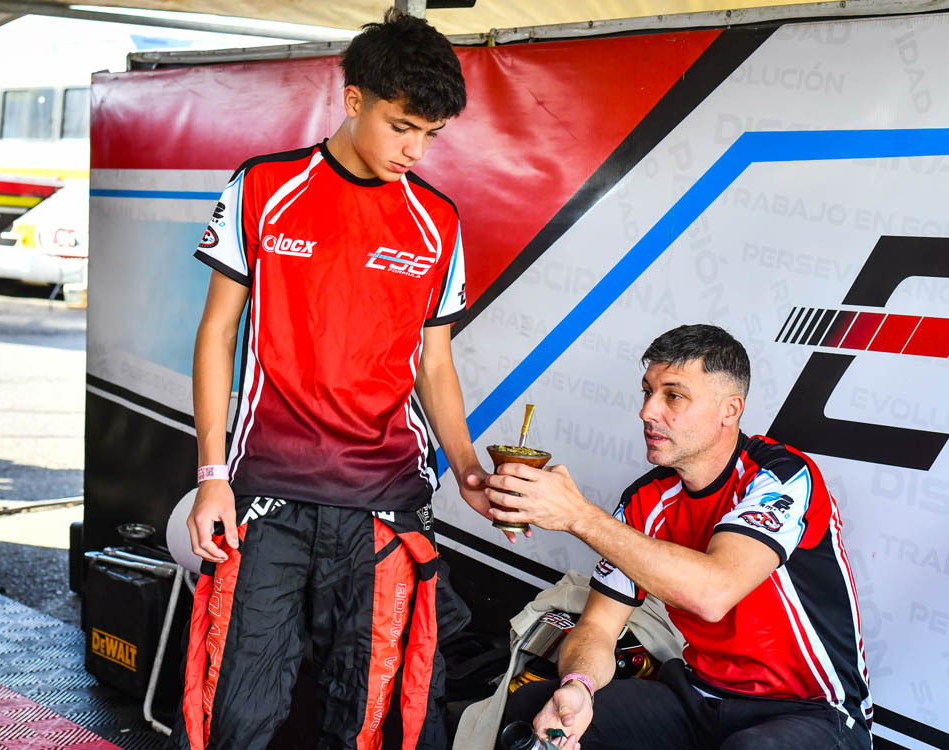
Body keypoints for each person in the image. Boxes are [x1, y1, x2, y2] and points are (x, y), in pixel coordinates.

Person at [171, 11, 501, 750]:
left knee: (371, 724)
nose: (415, 150)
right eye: (402, 127)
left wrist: (468, 468)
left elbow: (434, 363)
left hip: (384, 507)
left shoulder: (438, 219)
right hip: (267, 499)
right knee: (235, 718)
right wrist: (212, 476)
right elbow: (217, 332)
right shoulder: (264, 185)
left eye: (431, 135)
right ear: (354, 100)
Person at [492, 324, 872, 750]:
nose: (647, 411)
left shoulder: (781, 477)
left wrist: (577, 515)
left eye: (673, 396)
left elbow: (713, 593)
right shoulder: (645, 499)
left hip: (810, 711)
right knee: (538, 707)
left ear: (730, 410)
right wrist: (579, 685)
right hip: (700, 697)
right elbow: (598, 626)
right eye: (647, 392)